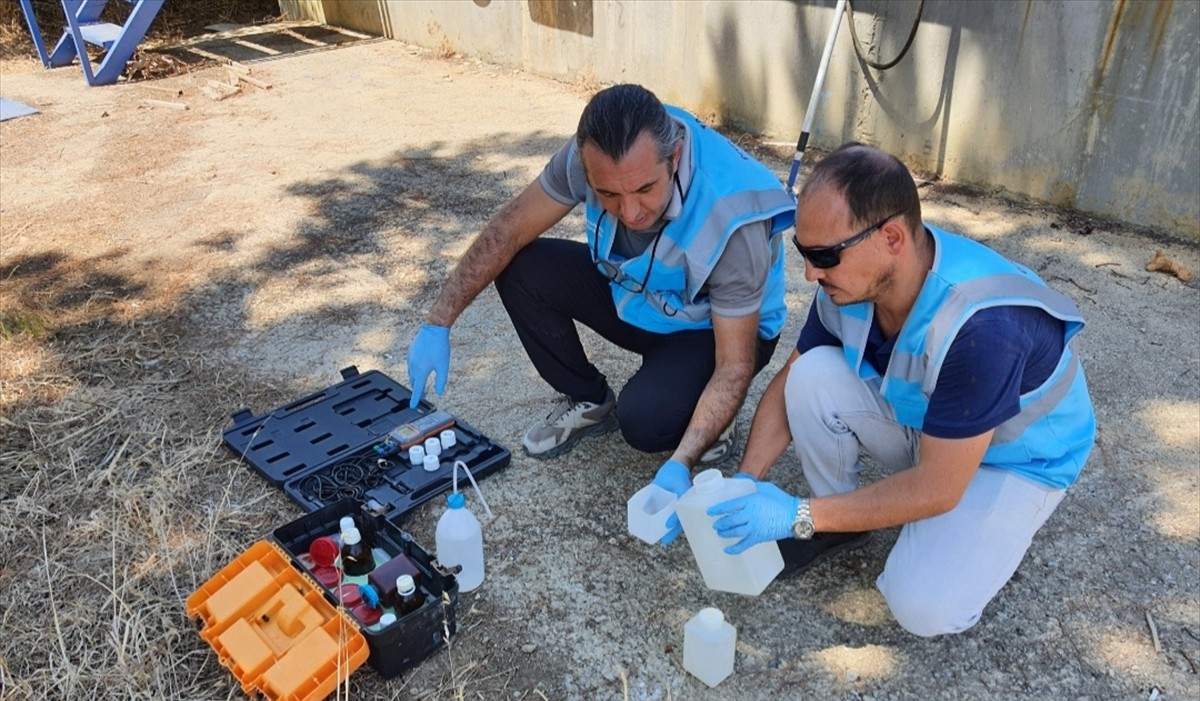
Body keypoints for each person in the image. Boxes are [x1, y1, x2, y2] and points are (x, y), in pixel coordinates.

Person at [707, 143, 1096, 637]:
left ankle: (958, 532)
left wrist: (796, 514)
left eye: (824, 256)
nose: (810, 273)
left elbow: (938, 486)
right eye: (803, 253)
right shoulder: (855, 281)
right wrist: (746, 478)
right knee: (811, 377)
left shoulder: (984, 329)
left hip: (1016, 460)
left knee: (922, 607)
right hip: (937, 425)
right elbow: (790, 383)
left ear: (891, 237)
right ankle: (841, 520)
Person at [405, 83, 796, 511]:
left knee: (645, 424)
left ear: (675, 158)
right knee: (520, 266)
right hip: (641, 295)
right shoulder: (589, 155)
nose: (630, 213)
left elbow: (734, 364)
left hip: (714, 330)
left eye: (646, 189)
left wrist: (681, 463)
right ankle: (589, 398)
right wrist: (438, 320)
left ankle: (709, 417)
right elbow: (510, 229)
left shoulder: (732, 219)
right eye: (608, 194)